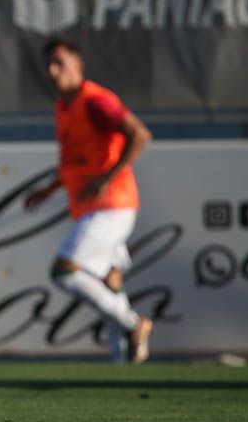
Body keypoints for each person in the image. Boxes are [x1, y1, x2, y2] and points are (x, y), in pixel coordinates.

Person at [24, 37, 154, 363]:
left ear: (78, 67)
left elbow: (139, 134)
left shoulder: (94, 100)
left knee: (65, 271)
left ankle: (134, 324)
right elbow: (75, 159)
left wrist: (106, 178)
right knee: (110, 281)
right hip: (92, 207)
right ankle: (121, 360)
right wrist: (51, 188)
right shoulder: (64, 106)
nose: (53, 71)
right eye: (49, 65)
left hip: (113, 205)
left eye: (60, 64)